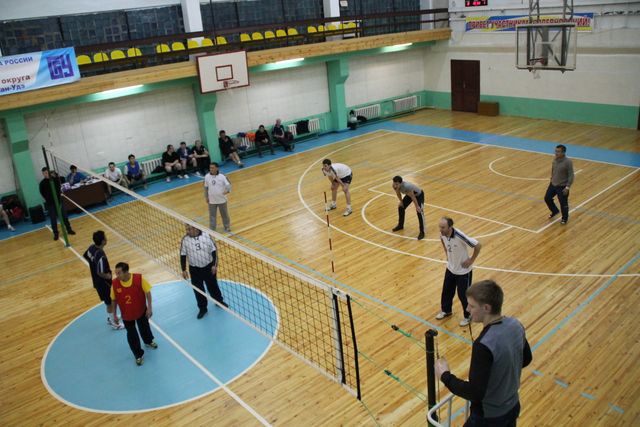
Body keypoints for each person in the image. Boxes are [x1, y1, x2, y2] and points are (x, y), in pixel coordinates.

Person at [435, 279, 532, 427]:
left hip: (488, 418)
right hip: (512, 407)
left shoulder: (484, 345)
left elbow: (475, 392)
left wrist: (445, 375)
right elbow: (526, 359)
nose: (467, 309)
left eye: (472, 306)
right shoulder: (516, 325)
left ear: (486, 308)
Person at [436, 217, 482, 327]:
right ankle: (446, 310)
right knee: (447, 291)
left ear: (450, 227)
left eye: (443, 227)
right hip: (450, 269)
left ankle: (468, 316)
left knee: (464, 296)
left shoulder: (459, 236)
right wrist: (447, 253)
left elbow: (478, 245)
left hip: (463, 272)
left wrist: (471, 260)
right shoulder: (442, 234)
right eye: (440, 227)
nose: (440, 229)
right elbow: (443, 240)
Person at [110, 262, 157, 366]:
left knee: (144, 327)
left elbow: (148, 292)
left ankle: (148, 341)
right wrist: (114, 314)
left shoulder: (138, 279)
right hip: (127, 314)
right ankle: (138, 355)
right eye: (116, 273)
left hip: (141, 310)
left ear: (126, 272)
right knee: (132, 335)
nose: (117, 275)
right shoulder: (115, 284)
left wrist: (149, 307)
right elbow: (113, 300)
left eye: (119, 273)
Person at [180, 224, 228, 319]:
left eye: (189, 229)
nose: (187, 231)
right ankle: (203, 309)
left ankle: (219, 302)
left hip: (208, 267)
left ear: (195, 228)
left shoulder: (206, 235)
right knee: (198, 290)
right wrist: (183, 269)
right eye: (186, 229)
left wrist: (214, 265)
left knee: (213, 286)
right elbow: (182, 255)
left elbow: (214, 251)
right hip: (194, 269)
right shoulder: (185, 239)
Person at [83, 230, 123, 330]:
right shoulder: (100, 255)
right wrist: (108, 276)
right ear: (102, 241)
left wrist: (92, 264)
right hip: (103, 283)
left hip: (97, 281)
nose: (106, 239)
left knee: (108, 300)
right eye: (105, 237)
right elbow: (100, 272)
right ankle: (114, 323)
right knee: (110, 301)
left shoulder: (91, 247)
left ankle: (111, 317)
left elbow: (85, 256)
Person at [39, 167, 76, 240]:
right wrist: (49, 199)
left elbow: (61, 182)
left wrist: (55, 175)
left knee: (64, 216)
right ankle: (56, 234)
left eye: (47, 172)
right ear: (43, 174)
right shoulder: (42, 183)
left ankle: (69, 229)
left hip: (59, 201)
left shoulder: (55, 179)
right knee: (53, 219)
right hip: (50, 204)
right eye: (44, 173)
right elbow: (42, 193)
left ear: (49, 172)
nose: (46, 174)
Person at [544, 144, 574, 225]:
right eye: (555, 151)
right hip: (553, 184)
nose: (556, 153)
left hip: (562, 187)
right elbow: (553, 169)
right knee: (547, 198)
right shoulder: (555, 160)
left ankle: (564, 218)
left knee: (563, 203)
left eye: (558, 151)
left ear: (563, 152)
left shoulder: (568, 162)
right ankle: (555, 211)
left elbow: (571, 175)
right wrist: (552, 178)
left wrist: (567, 187)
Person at [391, 176, 425, 240]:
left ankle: (422, 232)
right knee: (401, 207)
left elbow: (413, 197)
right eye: (394, 183)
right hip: (410, 195)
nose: (395, 185)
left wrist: (417, 207)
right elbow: (398, 193)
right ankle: (400, 225)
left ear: (401, 183)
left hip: (419, 195)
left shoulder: (407, 186)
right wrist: (401, 202)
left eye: (396, 184)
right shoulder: (394, 186)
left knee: (419, 212)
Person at [204, 162, 232, 232]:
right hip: (212, 200)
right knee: (212, 215)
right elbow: (206, 187)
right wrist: (206, 197)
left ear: (217, 168)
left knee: (224, 214)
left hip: (222, 199)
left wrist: (228, 191)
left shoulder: (222, 176)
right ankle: (212, 228)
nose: (211, 169)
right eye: (210, 168)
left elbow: (229, 184)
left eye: (213, 168)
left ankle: (227, 227)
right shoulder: (207, 176)